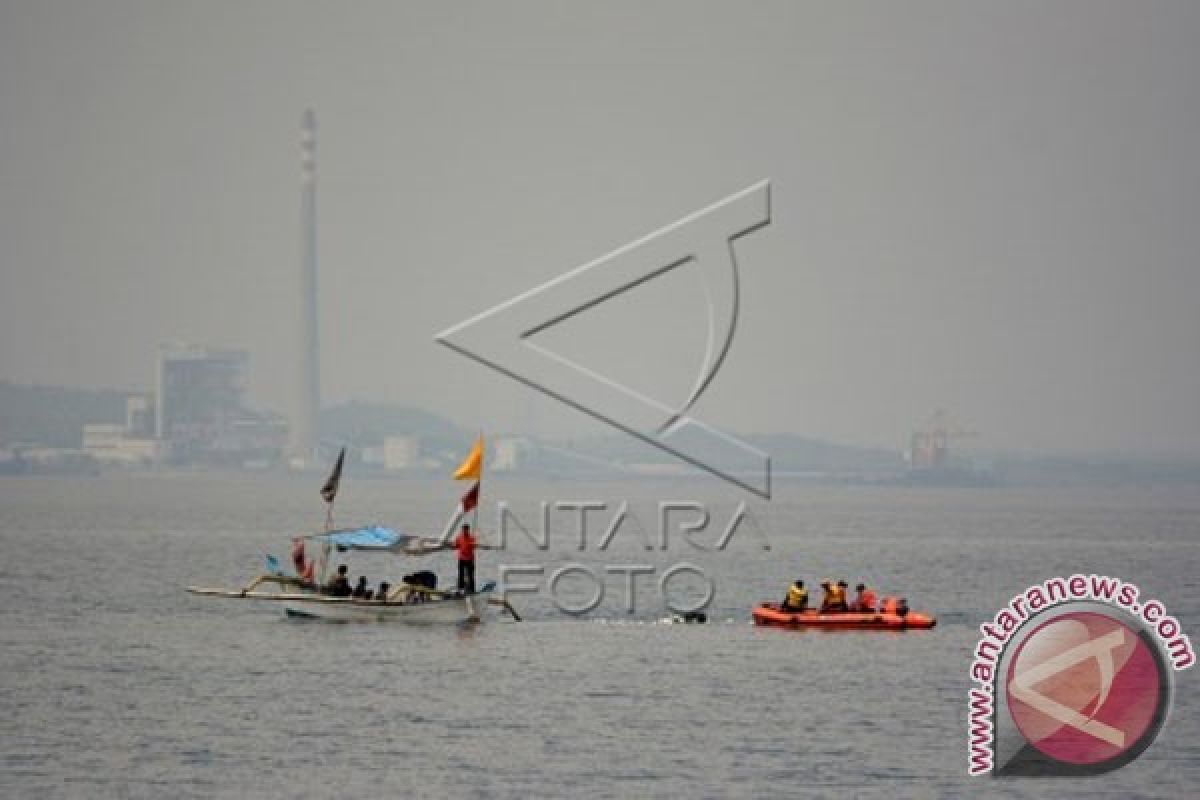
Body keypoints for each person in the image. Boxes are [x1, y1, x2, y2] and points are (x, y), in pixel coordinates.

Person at [454, 523, 478, 594]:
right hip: (461, 559)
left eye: (466, 530)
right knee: (460, 574)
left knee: (470, 575)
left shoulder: (472, 538)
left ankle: (472, 590)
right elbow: (456, 546)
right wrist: (453, 546)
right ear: (462, 530)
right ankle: (460, 589)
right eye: (463, 530)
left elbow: (474, 546)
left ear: (468, 530)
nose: (464, 531)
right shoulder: (459, 537)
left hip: (470, 559)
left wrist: (473, 544)